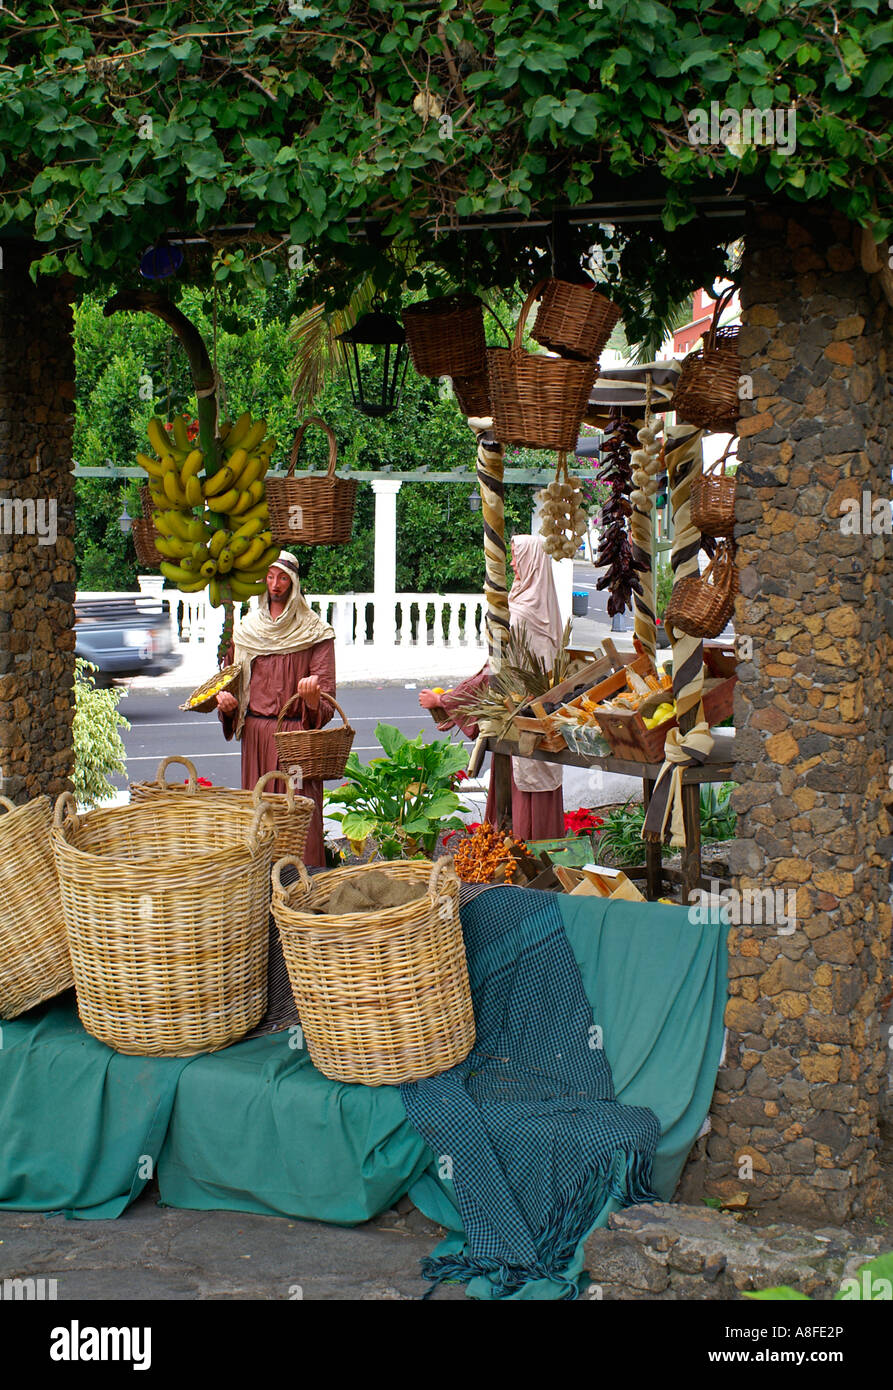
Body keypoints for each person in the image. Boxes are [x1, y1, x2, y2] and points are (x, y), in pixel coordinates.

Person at [419, 533, 564, 840]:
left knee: (521, 791)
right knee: (540, 780)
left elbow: (493, 674)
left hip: (518, 721)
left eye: (516, 556)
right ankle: (547, 856)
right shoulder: (547, 610)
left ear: (530, 562)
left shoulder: (520, 614)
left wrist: (445, 702)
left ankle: (522, 859)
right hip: (545, 718)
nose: (511, 562)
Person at [216, 552, 336, 867]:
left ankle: (302, 888)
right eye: (270, 577)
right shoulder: (246, 630)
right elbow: (231, 683)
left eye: (282, 577)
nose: (275, 584)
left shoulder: (314, 631)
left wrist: (312, 702)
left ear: (294, 583)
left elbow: (326, 694)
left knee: (297, 814)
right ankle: (257, 889)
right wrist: (228, 707)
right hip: (256, 736)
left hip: (296, 739)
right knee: (257, 815)